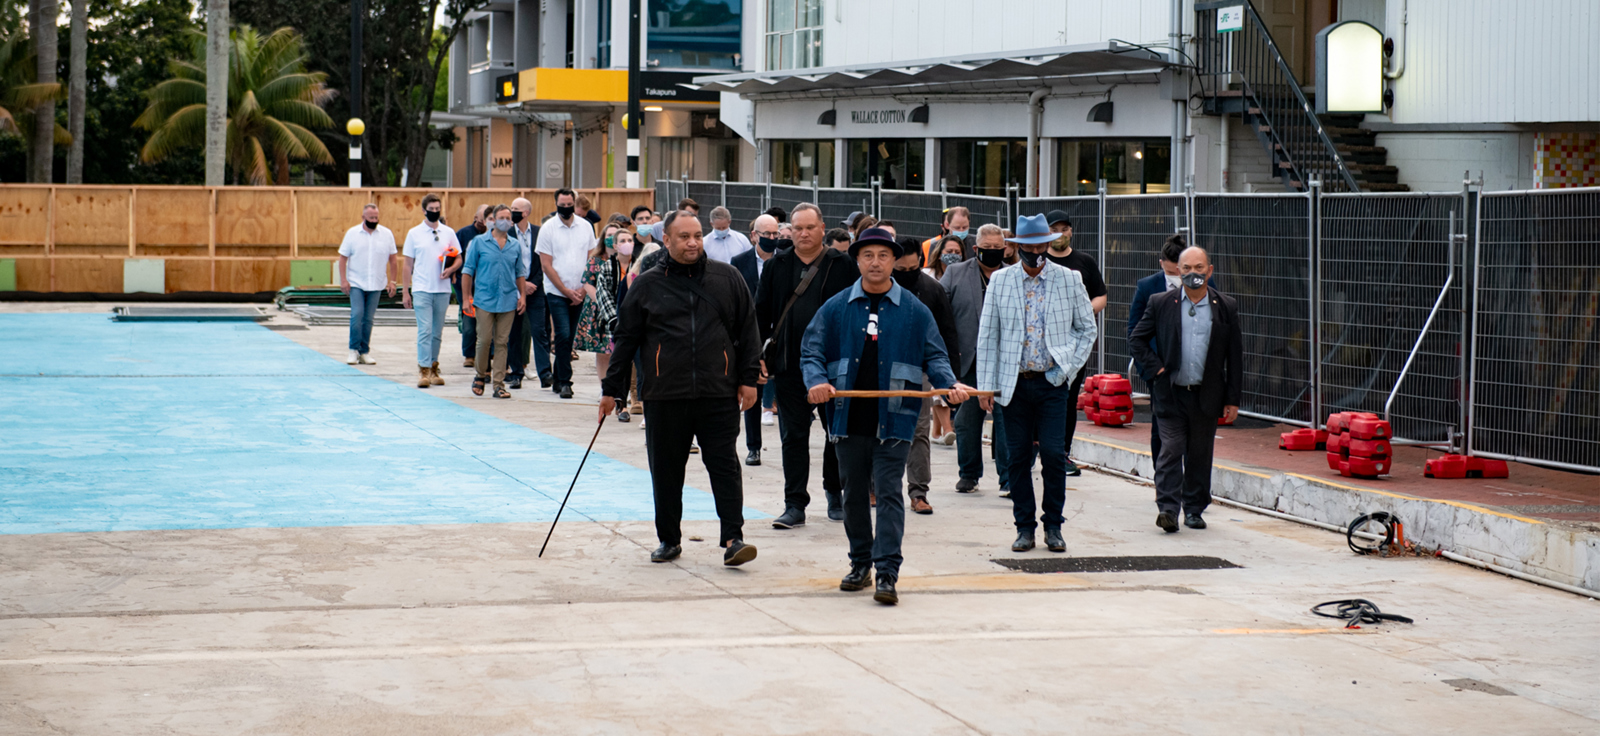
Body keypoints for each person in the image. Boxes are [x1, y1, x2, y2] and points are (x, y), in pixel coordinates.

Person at [801, 227, 972, 605]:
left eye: (883, 255)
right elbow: (811, 351)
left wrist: (948, 385)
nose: (875, 262)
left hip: (895, 416)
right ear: (857, 260)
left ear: (894, 261)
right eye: (867, 255)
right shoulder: (836, 306)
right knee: (855, 495)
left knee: (890, 492)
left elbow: (936, 356)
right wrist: (815, 381)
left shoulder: (914, 309)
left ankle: (887, 572)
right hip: (848, 416)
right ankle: (860, 562)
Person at [600, 209, 762, 567]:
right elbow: (625, 340)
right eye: (684, 237)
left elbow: (748, 332)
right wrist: (611, 389)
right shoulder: (646, 284)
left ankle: (734, 538)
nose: (693, 243)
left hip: (717, 391)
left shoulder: (728, 278)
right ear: (667, 240)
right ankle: (668, 538)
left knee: (724, 465)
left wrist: (748, 379)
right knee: (667, 468)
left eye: (697, 236)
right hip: (663, 392)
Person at [975, 214, 1097, 554]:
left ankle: (1053, 526)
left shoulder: (1069, 279)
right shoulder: (1001, 281)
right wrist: (986, 385)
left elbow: (1087, 329)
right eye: (1028, 246)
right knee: (1016, 458)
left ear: (1048, 244)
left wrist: (1067, 370)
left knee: (1055, 456)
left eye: (1040, 244)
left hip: (1052, 383)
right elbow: (989, 336)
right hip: (1012, 384)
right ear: (1018, 247)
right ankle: (1024, 527)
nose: (1035, 251)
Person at [755, 202, 860, 528]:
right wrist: (757, 357)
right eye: (797, 228)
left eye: (809, 227)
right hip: (788, 367)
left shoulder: (842, 265)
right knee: (793, 437)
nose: (802, 233)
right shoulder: (777, 265)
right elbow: (761, 315)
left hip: (834, 369)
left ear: (822, 228)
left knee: (836, 434)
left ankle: (834, 492)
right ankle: (794, 503)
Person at [1128, 246, 1243, 534]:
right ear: (1178, 272)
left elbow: (1235, 356)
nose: (1194, 273)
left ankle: (1194, 509)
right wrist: (1156, 370)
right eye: (1187, 268)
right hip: (1170, 392)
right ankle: (1168, 508)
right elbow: (1137, 339)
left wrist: (1232, 399)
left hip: (1206, 394)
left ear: (1210, 270)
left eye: (1199, 268)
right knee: (1171, 448)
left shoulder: (1226, 306)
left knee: (1200, 453)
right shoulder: (1160, 302)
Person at [891, 237, 962, 516]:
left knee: (918, 431)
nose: (906, 275)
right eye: (900, 270)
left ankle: (918, 491)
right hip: (879, 370)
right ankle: (874, 487)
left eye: (912, 270)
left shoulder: (932, 290)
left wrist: (949, 381)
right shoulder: (875, 287)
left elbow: (947, 334)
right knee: (877, 430)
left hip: (916, 371)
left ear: (920, 264)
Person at [943, 224, 1015, 495]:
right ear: (976, 249)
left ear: (1006, 248)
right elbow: (941, 310)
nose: (994, 252)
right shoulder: (956, 273)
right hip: (969, 359)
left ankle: (1008, 478)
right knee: (966, 421)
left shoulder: (1013, 275)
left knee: (1006, 421)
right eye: (988, 248)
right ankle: (969, 474)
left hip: (1006, 361)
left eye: (999, 248)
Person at [1041, 209, 1108, 478]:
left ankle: (1062, 453)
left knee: (1067, 399)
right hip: (1042, 345)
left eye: (1065, 228)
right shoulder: (1038, 260)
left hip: (1074, 346)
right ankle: (1036, 447)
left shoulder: (1085, 262)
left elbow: (1101, 297)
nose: (1061, 234)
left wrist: (1079, 315)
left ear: (1071, 232)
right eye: (1055, 229)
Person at [1128, 234, 1191, 461]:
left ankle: (1188, 483)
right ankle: (1163, 479)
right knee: (1162, 426)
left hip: (1193, 367)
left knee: (1193, 427)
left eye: (1180, 270)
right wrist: (1154, 369)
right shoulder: (1147, 287)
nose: (1176, 275)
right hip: (1160, 368)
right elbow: (1134, 331)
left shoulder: (1202, 283)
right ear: (1161, 262)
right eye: (1171, 271)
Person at [461, 205, 528, 399]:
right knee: (483, 340)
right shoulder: (479, 242)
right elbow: (468, 271)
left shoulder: (514, 245)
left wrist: (522, 296)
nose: (506, 221)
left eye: (509, 218)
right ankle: (481, 374)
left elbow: (520, 273)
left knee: (502, 342)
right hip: (484, 299)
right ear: (493, 219)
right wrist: (466, 298)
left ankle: (498, 384)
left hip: (507, 300)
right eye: (502, 217)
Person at [536, 188, 597, 400]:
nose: (565, 208)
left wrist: (582, 288)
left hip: (580, 291)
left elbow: (592, 258)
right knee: (561, 333)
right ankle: (565, 382)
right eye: (561, 205)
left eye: (569, 204)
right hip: (557, 291)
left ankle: (557, 373)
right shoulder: (548, 229)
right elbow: (546, 264)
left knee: (569, 337)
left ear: (574, 203)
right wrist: (565, 291)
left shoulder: (586, 227)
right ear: (556, 205)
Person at [733, 214, 782, 465]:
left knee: (786, 391)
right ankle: (754, 447)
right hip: (751, 335)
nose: (772, 239)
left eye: (775, 234)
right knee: (753, 389)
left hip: (781, 333)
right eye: (767, 235)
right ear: (754, 235)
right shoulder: (739, 262)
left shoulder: (785, 260)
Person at [401, 194, 458, 388]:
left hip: (442, 289)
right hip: (422, 288)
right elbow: (408, 264)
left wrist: (451, 269)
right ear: (424, 210)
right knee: (425, 329)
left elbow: (458, 256)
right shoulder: (414, 234)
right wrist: (405, 291)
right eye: (431, 209)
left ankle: (434, 366)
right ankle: (423, 368)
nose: (435, 212)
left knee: (437, 332)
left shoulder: (448, 232)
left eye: (437, 208)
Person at [576, 224, 629, 411]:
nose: (612, 239)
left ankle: (621, 391)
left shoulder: (627, 259)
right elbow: (588, 283)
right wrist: (602, 301)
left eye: (616, 235)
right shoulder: (596, 260)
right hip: (600, 310)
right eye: (609, 235)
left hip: (621, 308)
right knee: (604, 352)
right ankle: (603, 387)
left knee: (618, 352)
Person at [337, 203, 397, 365]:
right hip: (356, 282)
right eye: (371, 218)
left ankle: (364, 351)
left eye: (376, 217)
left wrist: (392, 281)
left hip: (376, 284)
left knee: (368, 318)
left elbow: (393, 259)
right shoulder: (352, 234)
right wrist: (343, 280)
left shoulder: (386, 234)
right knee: (357, 315)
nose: (374, 220)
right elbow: (343, 258)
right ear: (363, 217)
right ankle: (353, 349)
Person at [507, 197, 547, 390]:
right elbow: (505, 265)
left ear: (526, 212)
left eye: (516, 209)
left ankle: (545, 373)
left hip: (536, 290)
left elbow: (545, 262)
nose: (512, 211)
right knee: (514, 333)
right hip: (514, 291)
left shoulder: (540, 233)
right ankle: (516, 373)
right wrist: (520, 286)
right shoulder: (506, 233)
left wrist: (533, 284)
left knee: (539, 331)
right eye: (511, 208)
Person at [452, 204, 489, 367]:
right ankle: (469, 354)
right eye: (482, 220)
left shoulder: (494, 235)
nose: (485, 224)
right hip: (466, 286)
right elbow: (454, 255)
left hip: (486, 286)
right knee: (469, 321)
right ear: (475, 218)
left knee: (487, 321)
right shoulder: (463, 234)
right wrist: (453, 272)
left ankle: (490, 353)